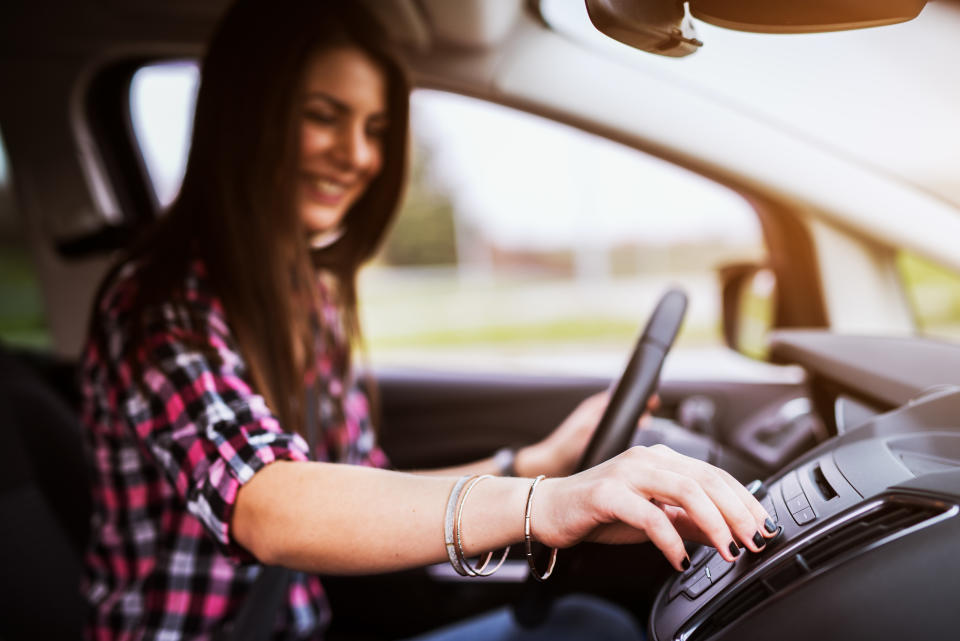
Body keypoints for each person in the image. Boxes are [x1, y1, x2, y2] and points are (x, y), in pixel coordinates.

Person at [80, 1, 778, 639]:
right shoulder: (158, 305)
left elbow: (361, 489)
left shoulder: (309, 296)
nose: (357, 155)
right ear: (247, 116)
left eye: (375, 128)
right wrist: (547, 501)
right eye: (324, 115)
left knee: (584, 625)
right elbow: (265, 500)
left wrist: (537, 462)